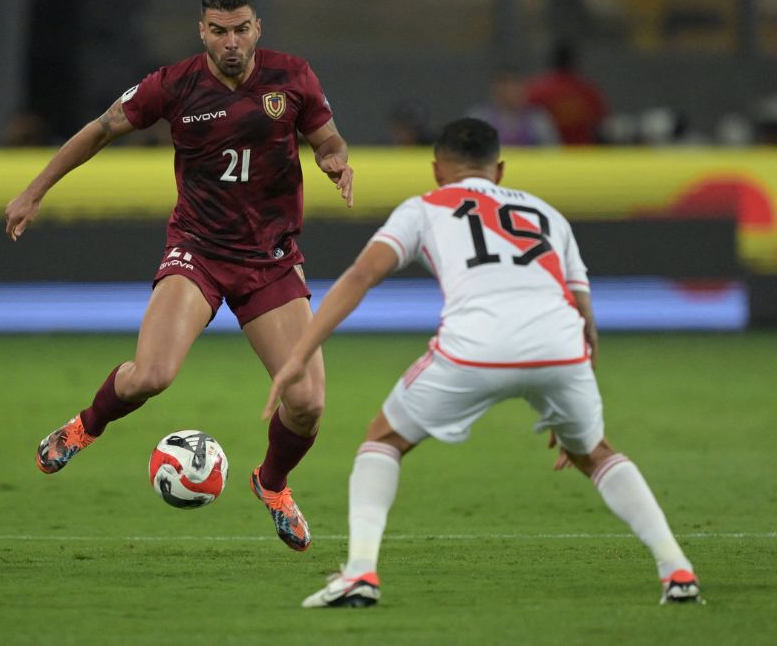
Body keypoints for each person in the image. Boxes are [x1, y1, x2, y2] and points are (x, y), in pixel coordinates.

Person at [266, 118, 701, 606]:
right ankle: (678, 571)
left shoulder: (424, 208)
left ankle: (361, 575)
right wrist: (572, 405)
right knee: (596, 453)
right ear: (500, 169)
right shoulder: (546, 214)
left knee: (382, 440)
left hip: (476, 346)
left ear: (436, 170)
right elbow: (586, 320)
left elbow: (362, 276)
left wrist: (300, 354)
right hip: (561, 347)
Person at [5, 0, 354, 551]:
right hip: (199, 250)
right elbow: (99, 129)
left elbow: (328, 137)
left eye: (242, 28)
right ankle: (85, 426)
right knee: (152, 375)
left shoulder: (293, 76)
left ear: (258, 27)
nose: (232, 42)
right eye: (219, 31)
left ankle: (272, 484)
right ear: (202, 31)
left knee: (308, 403)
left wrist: (335, 161)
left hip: (269, 259)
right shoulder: (173, 84)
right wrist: (35, 190)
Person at [525, 40, 609, 145]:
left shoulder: (537, 90)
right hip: (584, 154)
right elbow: (601, 122)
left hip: (548, 157)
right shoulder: (587, 91)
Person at [467, 67, 560, 147]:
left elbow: (552, 151)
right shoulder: (479, 117)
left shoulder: (537, 119)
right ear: (494, 90)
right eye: (503, 86)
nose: (508, 91)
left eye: (513, 86)